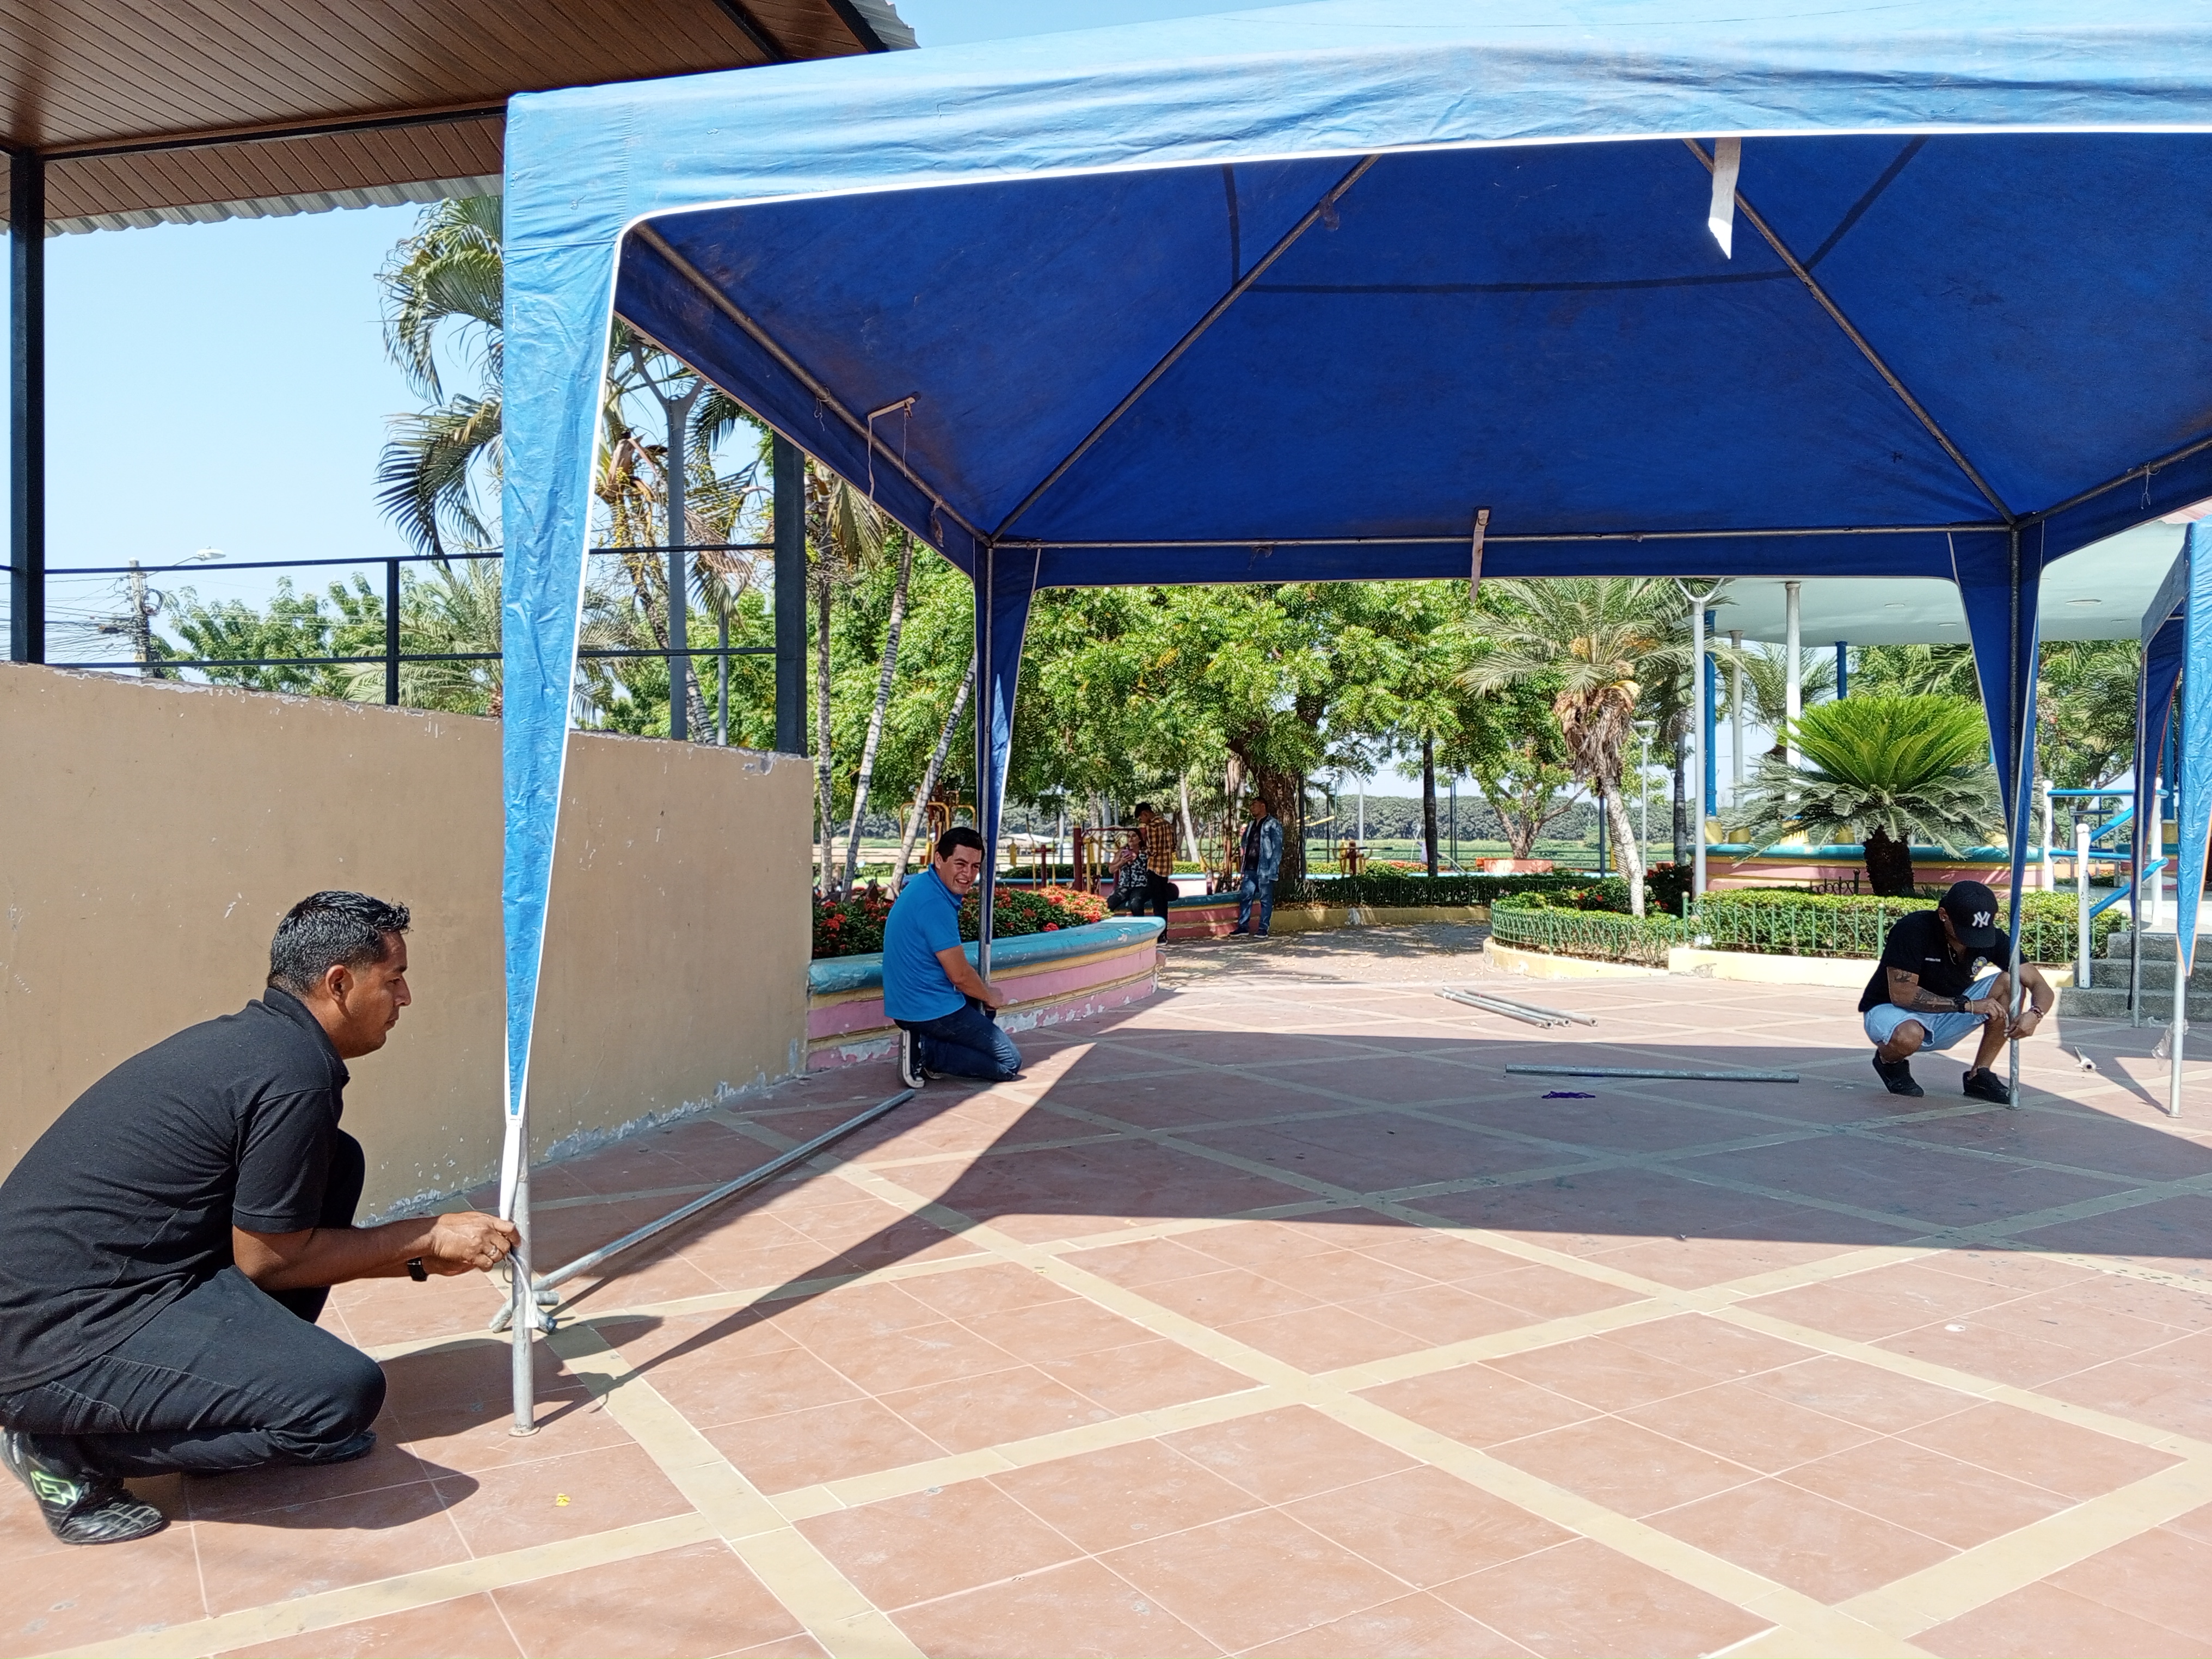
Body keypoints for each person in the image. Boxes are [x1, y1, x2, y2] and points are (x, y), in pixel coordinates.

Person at [0, 892, 519, 1545]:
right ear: (339, 983)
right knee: (339, 1398)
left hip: (108, 1292)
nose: (405, 998)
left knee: (336, 1164)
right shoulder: (294, 1075)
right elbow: (271, 1261)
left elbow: (270, 1247)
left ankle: (225, 1405)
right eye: (393, 980)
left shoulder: (263, 1046)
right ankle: (62, 1451)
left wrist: (418, 1255)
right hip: (49, 1342)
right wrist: (425, 1237)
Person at [1861, 880, 2054, 1102]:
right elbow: (1903, 995)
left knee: (2011, 983)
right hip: (1893, 1010)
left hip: (1951, 1010)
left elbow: (2040, 985)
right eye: (1966, 931)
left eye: (1980, 932)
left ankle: (1979, 1074)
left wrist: (2035, 1014)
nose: (1973, 940)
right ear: (1944, 915)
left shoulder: (1993, 938)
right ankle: (1889, 1062)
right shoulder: (1913, 929)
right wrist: (1967, 1005)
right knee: (1909, 1036)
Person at [886, 826, 1023, 1088]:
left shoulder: (925, 886)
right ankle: (925, 1051)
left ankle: (929, 1047)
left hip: (911, 1004)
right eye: (960, 864)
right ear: (940, 859)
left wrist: (982, 995)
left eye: (975, 866)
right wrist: (989, 995)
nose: (968, 874)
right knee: (1009, 1062)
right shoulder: (935, 903)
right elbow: (959, 976)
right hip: (926, 1009)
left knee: (980, 1002)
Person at [1231, 795, 1283, 937]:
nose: (1251, 808)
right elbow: (1244, 843)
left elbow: (1277, 849)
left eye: (1254, 805)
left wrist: (1273, 869)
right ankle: (1243, 927)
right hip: (1250, 868)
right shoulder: (1250, 825)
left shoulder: (1273, 824)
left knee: (1265, 899)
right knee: (1246, 897)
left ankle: (1263, 928)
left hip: (1265, 869)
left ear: (1263, 806)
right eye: (1251, 805)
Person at [1133, 802, 1179, 923]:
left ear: (1145, 814)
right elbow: (1173, 847)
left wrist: (1141, 850)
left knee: (1157, 903)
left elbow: (1153, 851)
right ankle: (1164, 930)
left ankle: (1160, 930)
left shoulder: (1152, 827)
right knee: (1163, 902)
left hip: (1155, 869)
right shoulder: (1167, 824)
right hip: (1166, 868)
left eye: (1141, 818)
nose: (1142, 821)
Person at [1105, 833, 1150, 915]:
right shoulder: (1122, 852)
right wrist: (1122, 861)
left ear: (1140, 839)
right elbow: (1111, 870)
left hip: (1140, 886)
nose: (1131, 839)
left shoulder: (1145, 853)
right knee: (1108, 904)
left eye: (1134, 836)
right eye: (1129, 836)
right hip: (1124, 886)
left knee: (1135, 904)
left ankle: (1140, 922)